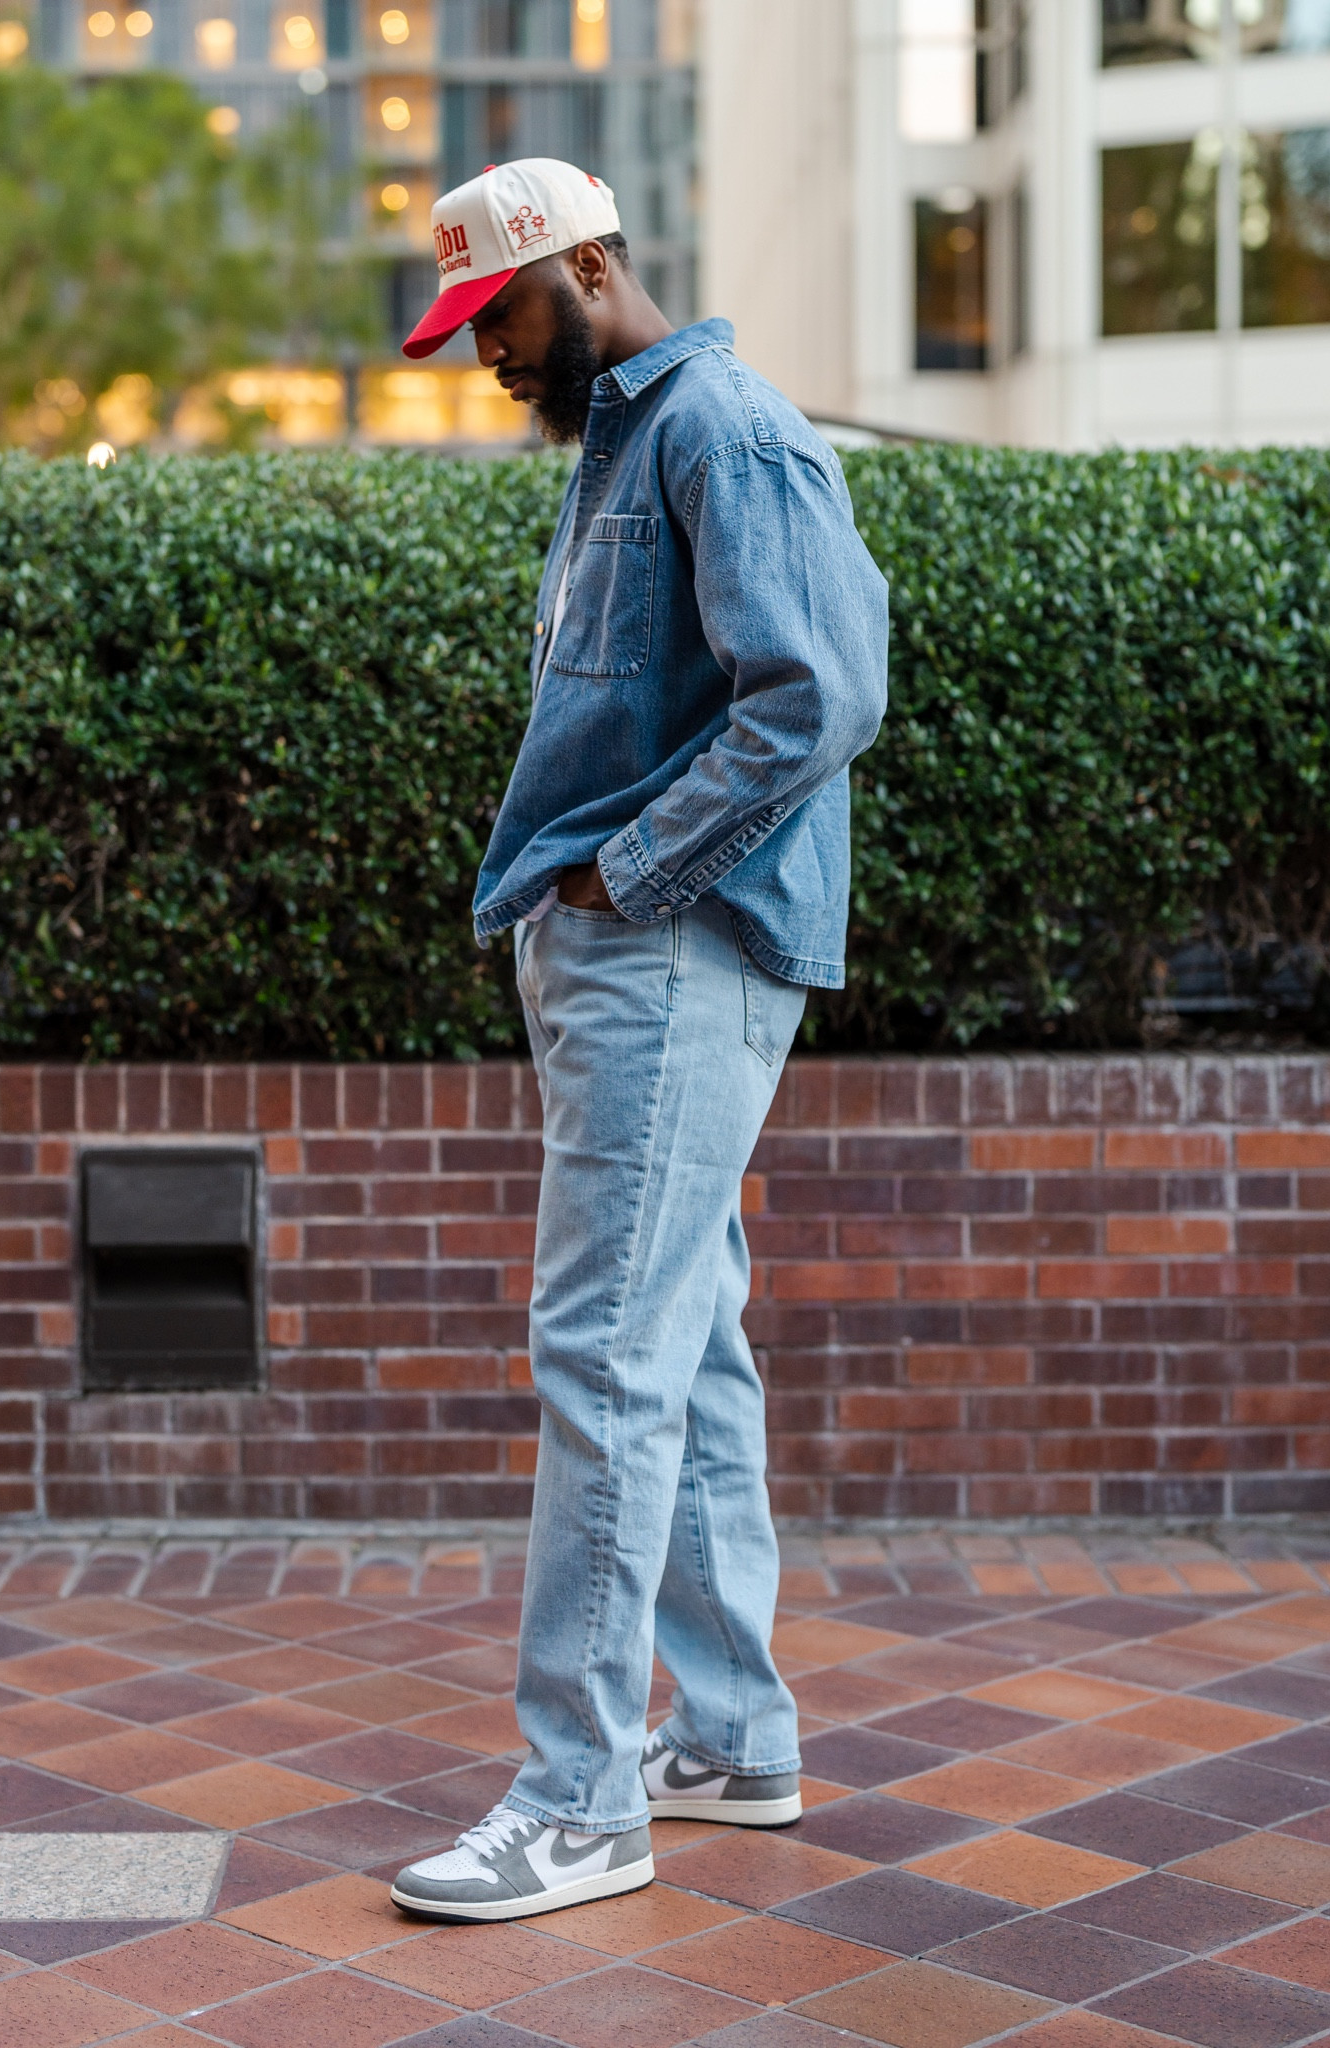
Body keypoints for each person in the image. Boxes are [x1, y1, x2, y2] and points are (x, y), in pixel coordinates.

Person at [389, 157, 889, 1923]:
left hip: (675, 951)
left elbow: (821, 693)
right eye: (467, 330)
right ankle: (738, 1734)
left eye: (502, 317)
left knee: (601, 1355)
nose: (487, 358)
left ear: (589, 267)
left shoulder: (717, 430)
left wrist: (625, 877)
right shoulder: (628, 441)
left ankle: (579, 1800)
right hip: (635, 954)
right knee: (689, 1347)